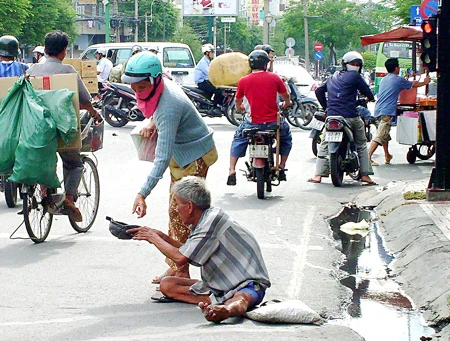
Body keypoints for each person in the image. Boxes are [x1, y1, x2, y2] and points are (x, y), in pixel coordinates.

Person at [121, 52, 217, 283]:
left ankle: (181, 272)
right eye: (133, 87)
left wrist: (142, 193)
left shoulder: (168, 106)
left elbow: (162, 158)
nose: (137, 92)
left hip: (193, 158)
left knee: (184, 215)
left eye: (142, 87)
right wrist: (152, 122)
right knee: (176, 214)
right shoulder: (162, 89)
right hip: (183, 156)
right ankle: (176, 266)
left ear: (155, 80)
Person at [127, 176, 271, 323]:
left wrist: (152, 237)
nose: (176, 209)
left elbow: (181, 258)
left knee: (241, 300)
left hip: (248, 282)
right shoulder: (204, 220)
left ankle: (226, 310)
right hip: (220, 285)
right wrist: (160, 236)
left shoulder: (211, 221)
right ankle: (217, 303)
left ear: (189, 206)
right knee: (167, 284)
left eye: (177, 204)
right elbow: (188, 250)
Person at [27, 30, 101, 222]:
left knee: (44, 156)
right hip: (62, 130)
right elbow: (84, 101)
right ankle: (69, 198)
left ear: (45, 49)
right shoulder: (68, 71)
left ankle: (44, 190)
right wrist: (93, 112)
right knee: (74, 163)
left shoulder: (31, 71)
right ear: (64, 51)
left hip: (36, 131)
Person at [307, 51, 376, 185]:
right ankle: (366, 175)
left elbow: (318, 91)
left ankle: (318, 175)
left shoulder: (332, 77)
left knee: (324, 144)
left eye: (357, 64)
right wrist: (370, 98)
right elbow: (367, 91)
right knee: (361, 143)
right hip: (350, 116)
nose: (355, 66)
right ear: (346, 64)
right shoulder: (355, 76)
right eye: (353, 64)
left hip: (332, 116)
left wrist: (327, 107)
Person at [227, 50, 292, 186]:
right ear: (265, 64)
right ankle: (281, 165)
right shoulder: (274, 78)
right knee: (286, 138)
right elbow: (286, 96)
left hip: (252, 123)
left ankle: (232, 170)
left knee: (238, 138)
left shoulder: (243, 80)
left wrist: (240, 109)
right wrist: (287, 104)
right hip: (273, 123)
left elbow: (238, 102)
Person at [368, 58, 430, 166]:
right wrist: (424, 82)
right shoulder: (397, 79)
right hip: (386, 111)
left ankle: (387, 155)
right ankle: (367, 158)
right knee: (381, 135)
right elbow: (413, 85)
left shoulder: (385, 79)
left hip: (378, 109)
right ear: (396, 68)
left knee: (384, 134)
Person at [194, 43, 224, 116]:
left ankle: (211, 105)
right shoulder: (203, 62)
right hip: (202, 83)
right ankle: (215, 107)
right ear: (207, 53)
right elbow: (209, 73)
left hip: (206, 82)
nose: (213, 54)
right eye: (212, 52)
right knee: (218, 90)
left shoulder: (208, 61)